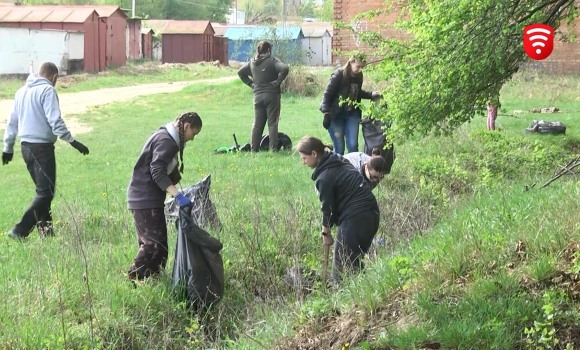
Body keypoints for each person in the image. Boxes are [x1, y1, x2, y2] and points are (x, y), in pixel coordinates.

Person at [2, 62, 90, 239]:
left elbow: (12, 122)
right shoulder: (47, 90)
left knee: (44, 193)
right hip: (42, 149)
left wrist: (7, 147)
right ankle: (20, 230)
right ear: (54, 77)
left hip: (25, 148)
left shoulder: (21, 92)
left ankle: (47, 234)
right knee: (45, 193)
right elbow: (55, 121)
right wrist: (73, 141)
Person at [126, 112, 202, 282]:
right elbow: (157, 171)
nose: (192, 138)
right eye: (193, 134)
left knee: (158, 247)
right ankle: (133, 278)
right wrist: (178, 196)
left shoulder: (166, 137)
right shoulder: (167, 141)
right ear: (186, 126)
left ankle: (152, 281)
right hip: (144, 198)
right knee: (153, 245)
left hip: (146, 197)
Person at [296, 136, 381, 285]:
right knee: (353, 261)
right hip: (371, 213)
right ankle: (364, 292)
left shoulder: (324, 178)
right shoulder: (338, 160)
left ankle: (342, 300)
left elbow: (327, 209)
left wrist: (326, 233)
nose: (303, 162)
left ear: (314, 154)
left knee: (341, 267)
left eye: (304, 158)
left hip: (357, 217)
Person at [319, 53, 381, 155]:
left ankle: (353, 170)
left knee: (353, 146)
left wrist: (371, 95)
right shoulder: (338, 75)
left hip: (352, 114)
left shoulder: (358, 76)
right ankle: (337, 170)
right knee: (339, 148)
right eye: (358, 66)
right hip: (335, 114)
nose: (360, 69)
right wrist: (326, 113)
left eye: (362, 67)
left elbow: (356, 92)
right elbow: (327, 95)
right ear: (351, 62)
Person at [237, 40, 290, 151]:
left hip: (258, 96)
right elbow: (285, 68)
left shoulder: (252, 62)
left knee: (257, 124)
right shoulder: (272, 60)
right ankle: (273, 149)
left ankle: (253, 149)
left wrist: (251, 84)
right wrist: (277, 82)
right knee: (272, 123)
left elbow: (240, 73)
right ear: (269, 50)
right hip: (271, 96)